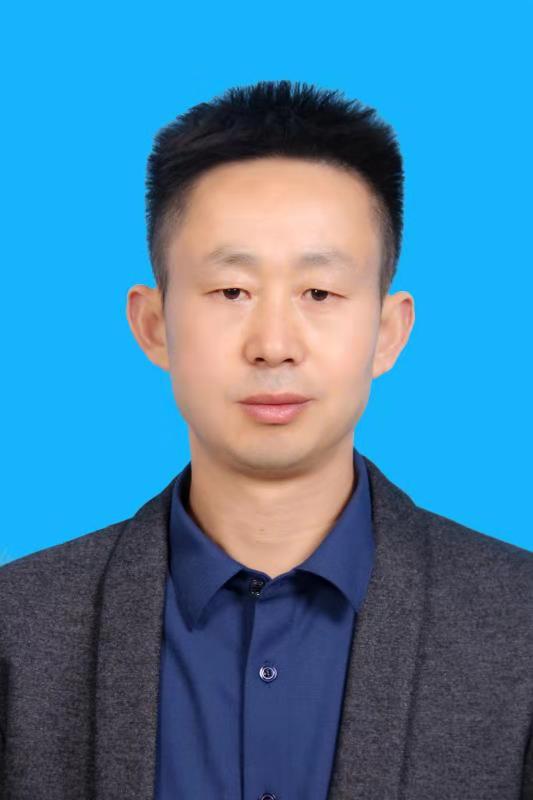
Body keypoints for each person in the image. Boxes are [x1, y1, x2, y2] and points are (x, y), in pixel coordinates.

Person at [0, 79, 531, 800]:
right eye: (231, 291)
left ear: (387, 331)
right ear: (154, 325)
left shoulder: (520, 621)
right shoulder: (18, 629)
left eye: (319, 293)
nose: (273, 344)